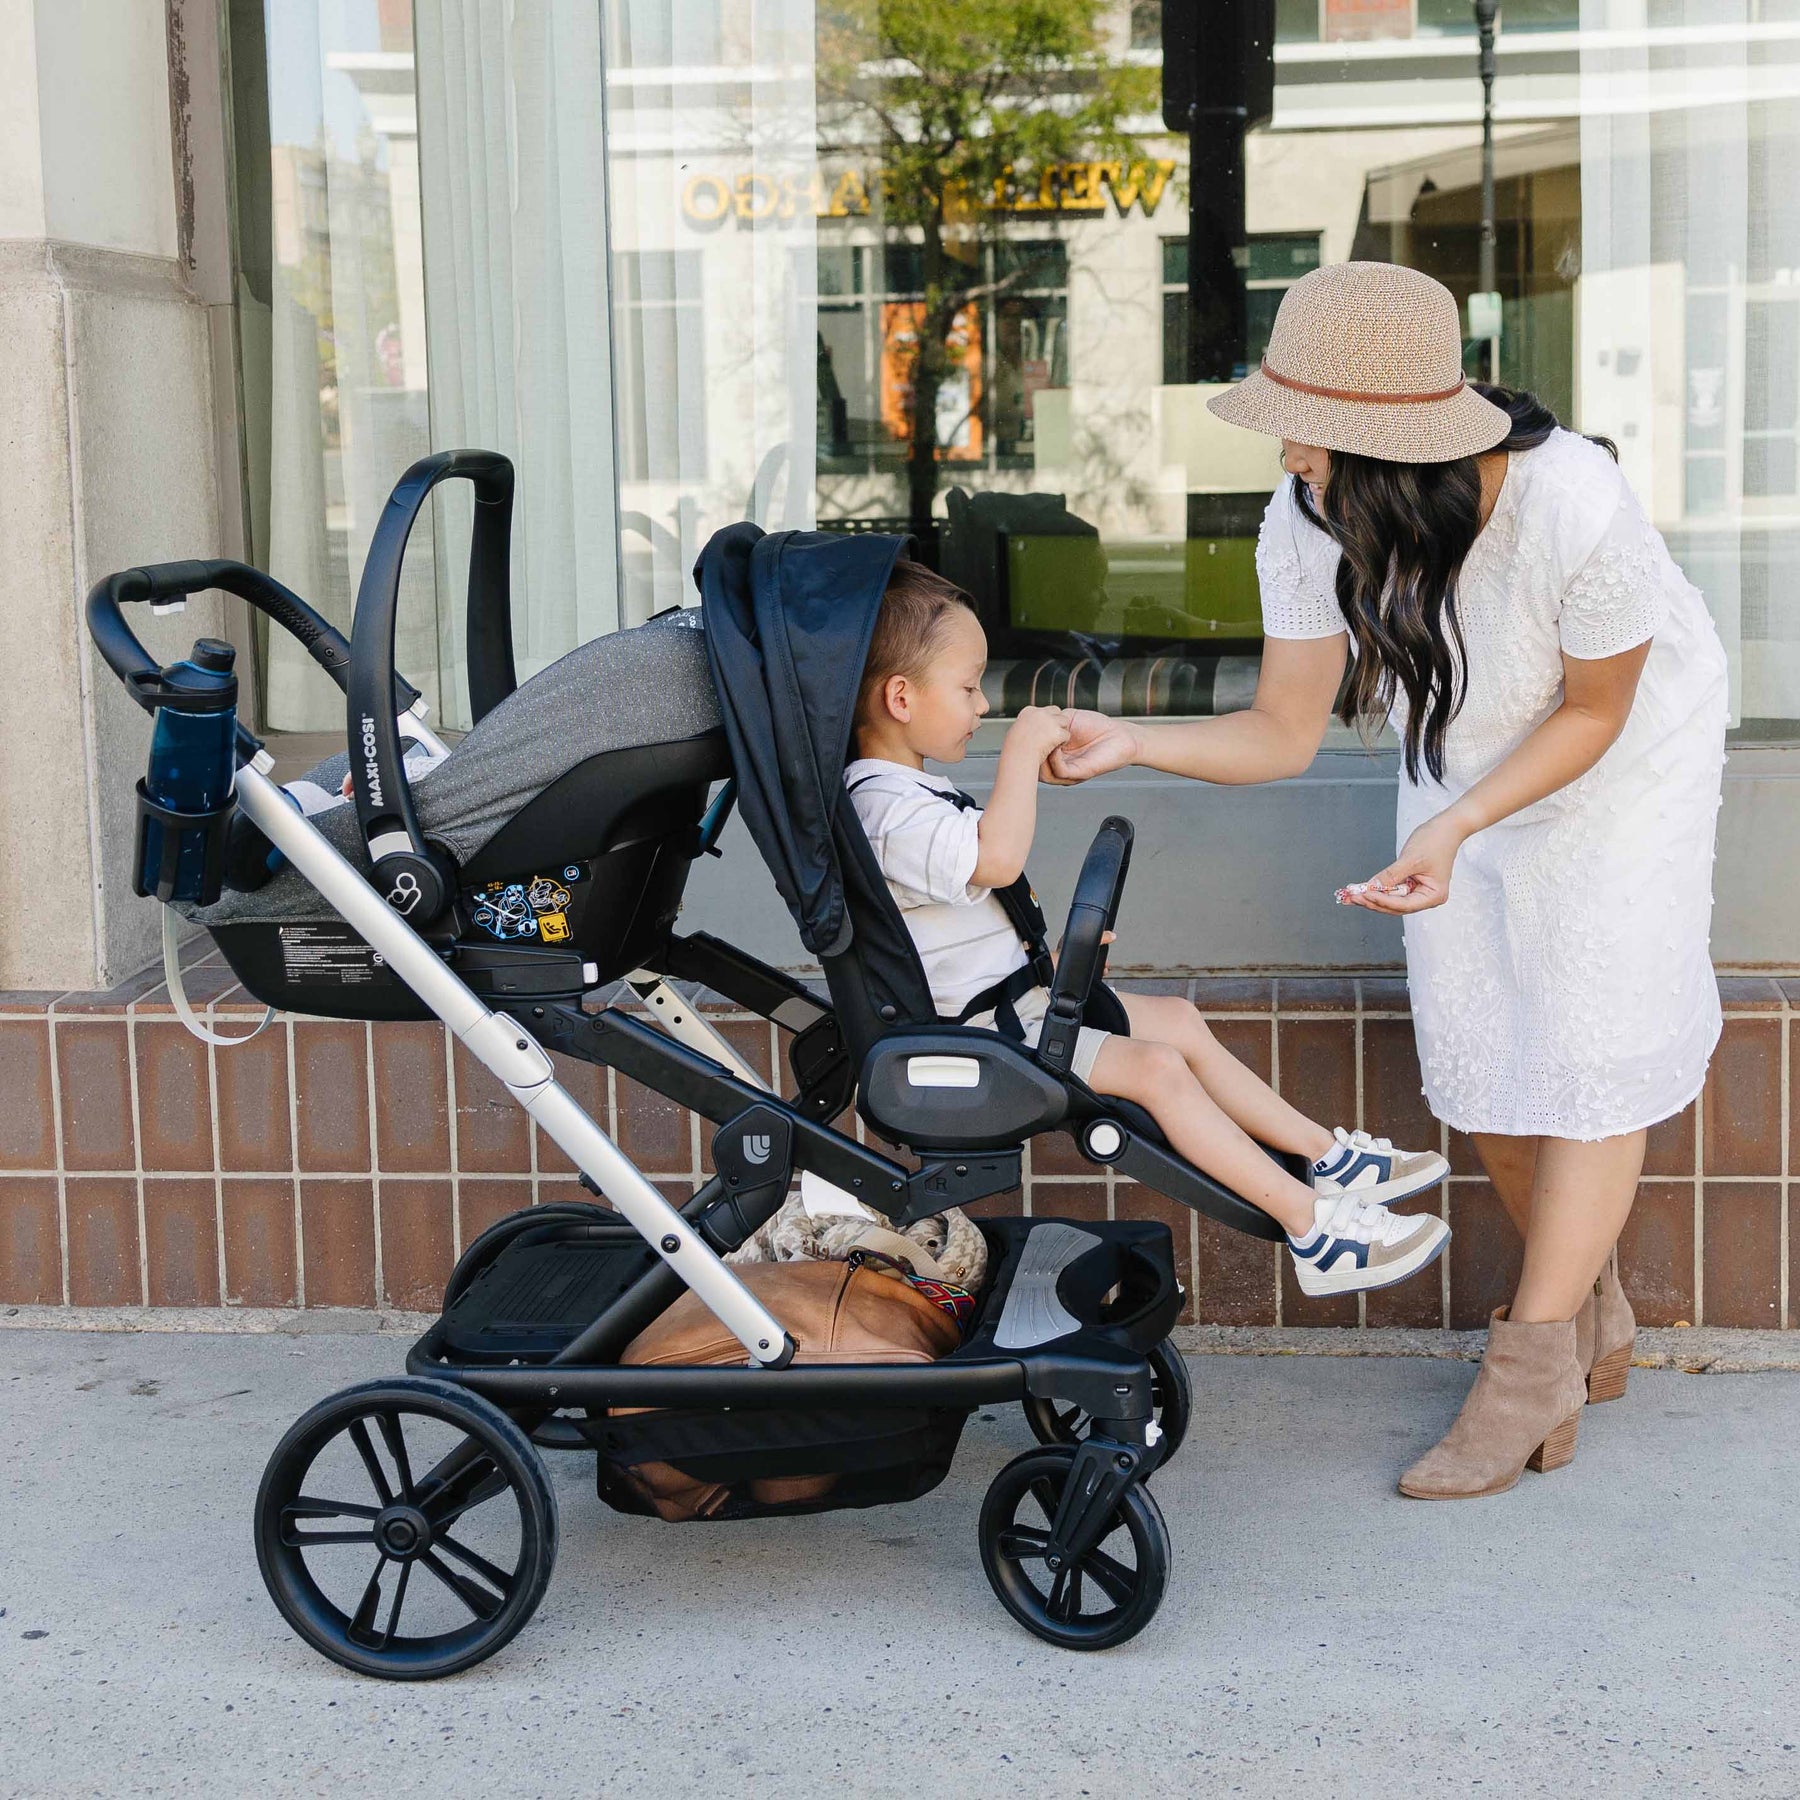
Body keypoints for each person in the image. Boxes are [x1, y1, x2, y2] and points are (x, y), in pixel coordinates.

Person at [1048, 262, 1728, 1499]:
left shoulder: (1576, 499)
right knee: (1487, 1042)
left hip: (1624, 759)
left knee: (1588, 1040)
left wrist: (1460, 824)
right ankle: (1589, 1306)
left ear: (1389, 451)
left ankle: (1529, 1367)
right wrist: (1135, 740)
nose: (1287, 454)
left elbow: (1596, 711)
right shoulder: (1309, 516)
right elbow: (1281, 732)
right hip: (1463, 749)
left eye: (1305, 430)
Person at [847, 559, 1451, 1299]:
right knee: (1157, 1070)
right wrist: (1018, 754)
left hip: (1012, 1005)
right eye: (969, 687)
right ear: (901, 697)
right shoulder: (886, 810)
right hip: (986, 1035)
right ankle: (1315, 1231)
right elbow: (995, 861)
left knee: (1178, 1021)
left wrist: (1052, 955)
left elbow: (957, 916)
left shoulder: (902, 793)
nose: (984, 702)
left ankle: (1327, 1158)